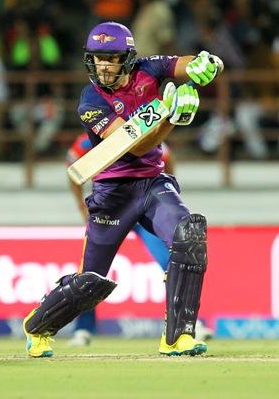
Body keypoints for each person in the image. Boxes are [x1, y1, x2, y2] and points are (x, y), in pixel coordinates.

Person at [22, 21, 223, 357]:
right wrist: (172, 119)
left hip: (153, 184)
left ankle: (177, 337)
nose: (103, 66)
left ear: (127, 58)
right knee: (92, 283)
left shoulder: (149, 69)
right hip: (113, 192)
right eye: (97, 58)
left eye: (110, 58)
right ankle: (37, 326)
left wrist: (206, 63)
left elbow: (181, 64)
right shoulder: (90, 100)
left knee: (189, 236)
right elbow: (136, 147)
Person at [65, 137, 213, 346]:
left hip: (145, 209)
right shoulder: (88, 140)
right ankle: (83, 330)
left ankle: (186, 325)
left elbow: (167, 160)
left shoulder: (145, 132)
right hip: (113, 208)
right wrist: (81, 206)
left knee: (174, 261)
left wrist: (165, 193)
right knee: (91, 272)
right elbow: (72, 168)